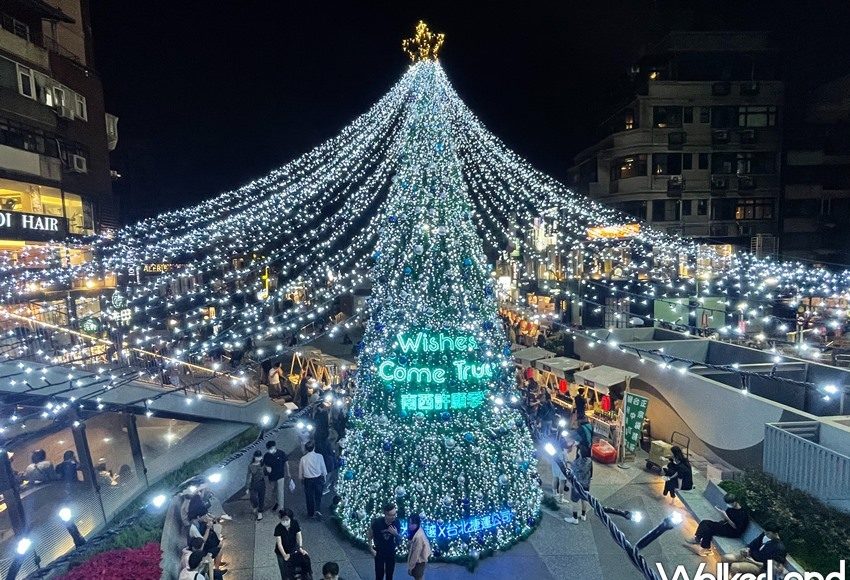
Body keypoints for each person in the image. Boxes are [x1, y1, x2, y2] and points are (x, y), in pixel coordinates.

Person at [720, 521, 786, 575]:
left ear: (775, 533)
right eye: (765, 532)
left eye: (768, 533)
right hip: (750, 557)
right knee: (726, 558)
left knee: (735, 567)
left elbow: (770, 566)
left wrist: (754, 562)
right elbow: (753, 543)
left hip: (759, 566)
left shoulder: (779, 548)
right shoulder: (765, 535)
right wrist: (747, 549)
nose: (765, 534)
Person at [274, 508, 313, 580]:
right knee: (284, 570)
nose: (284, 521)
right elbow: (279, 543)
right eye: (283, 519)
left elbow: (299, 535)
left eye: (286, 519)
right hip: (281, 552)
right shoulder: (278, 528)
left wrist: (300, 547)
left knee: (293, 567)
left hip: (292, 548)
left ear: (290, 519)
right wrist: (284, 555)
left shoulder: (295, 523)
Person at [367, 502, 400, 580]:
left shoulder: (396, 523)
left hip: (391, 552)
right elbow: (369, 535)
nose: (393, 517)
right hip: (379, 552)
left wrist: (396, 534)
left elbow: (399, 540)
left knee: (389, 575)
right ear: (385, 514)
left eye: (395, 514)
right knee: (379, 574)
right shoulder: (377, 523)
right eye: (391, 515)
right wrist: (371, 548)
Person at [564, 443, 593, 524]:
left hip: (577, 485)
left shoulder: (578, 462)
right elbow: (590, 472)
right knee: (584, 499)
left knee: (574, 501)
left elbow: (572, 469)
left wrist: (568, 462)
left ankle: (574, 518)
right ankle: (583, 515)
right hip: (586, 484)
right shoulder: (589, 460)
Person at [299, 441, 328, 518]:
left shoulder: (303, 458)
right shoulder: (319, 456)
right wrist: (324, 477)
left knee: (309, 496)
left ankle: (310, 513)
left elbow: (301, 470)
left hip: (308, 480)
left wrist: (301, 478)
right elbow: (323, 468)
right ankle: (317, 510)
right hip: (318, 479)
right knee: (318, 495)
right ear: (314, 447)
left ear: (306, 449)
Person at [264, 440, 291, 512]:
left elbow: (286, 463)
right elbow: (266, 465)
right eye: (269, 449)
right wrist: (267, 468)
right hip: (272, 477)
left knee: (280, 491)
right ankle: (275, 503)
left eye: (271, 448)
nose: (270, 450)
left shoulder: (281, 453)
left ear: (274, 447)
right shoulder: (267, 455)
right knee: (273, 491)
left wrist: (288, 473)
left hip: (280, 476)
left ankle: (281, 507)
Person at [406, 514, 431, 580]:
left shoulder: (418, 537)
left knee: (418, 577)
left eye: (412, 523)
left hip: (419, 561)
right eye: (409, 523)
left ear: (417, 523)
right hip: (421, 559)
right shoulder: (418, 530)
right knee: (420, 577)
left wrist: (411, 567)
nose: (410, 525)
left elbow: (416, 553)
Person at [245, 450, 267, 520]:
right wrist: (247, 487)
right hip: (253, 484)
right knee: (253, 497)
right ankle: (255, 506)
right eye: (257, 457)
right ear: (254, 457)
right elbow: (249, 476)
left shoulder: (263, 464)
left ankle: (260, 512)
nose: (259, 458)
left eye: (260, 457)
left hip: (261, 482)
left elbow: (266, 472)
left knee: (261, 498)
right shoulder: (251, 466)